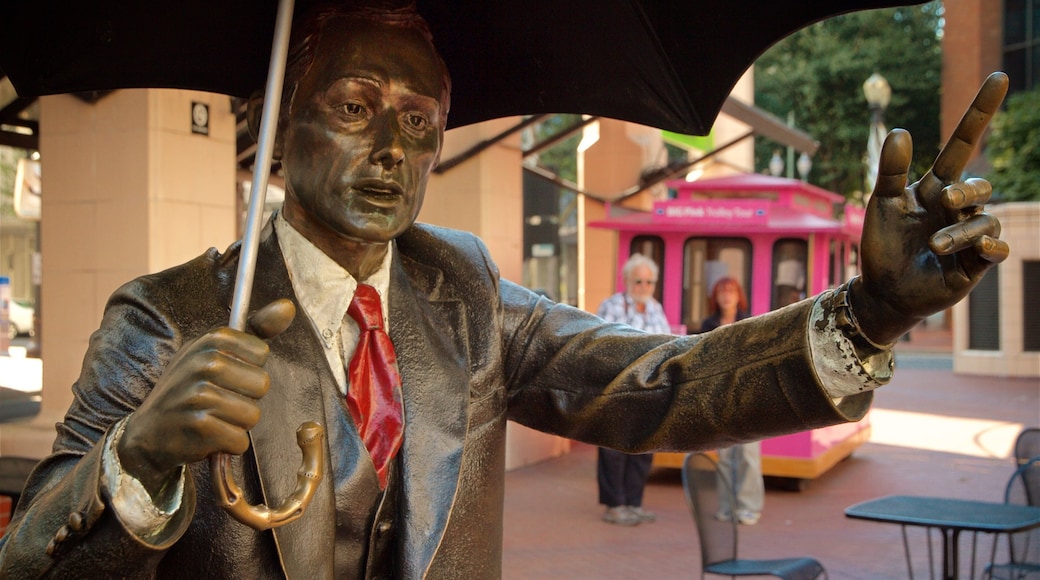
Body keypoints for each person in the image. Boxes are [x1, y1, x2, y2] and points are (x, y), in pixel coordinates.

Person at [0, 2, 1011, 577]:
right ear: (272, 132)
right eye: (353, 108)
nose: (393, 149)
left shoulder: (463, 290)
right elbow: (35, 558)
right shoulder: (166, 316)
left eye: (418, 122)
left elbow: (658, 382)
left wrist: (869, 310)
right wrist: (139, 460)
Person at [594, 253, 671, 526]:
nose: (644, 287)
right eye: (638, 281)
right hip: (617, 389)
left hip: (648, 392)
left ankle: (634, 503)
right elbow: (603, 346)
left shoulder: (655, 308)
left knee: (642, 450)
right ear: (627, 280)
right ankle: (615, 505)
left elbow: (668, 344)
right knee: (613, 451)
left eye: (649, 282)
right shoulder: (612, 306)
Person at [698, 277, 762, 526]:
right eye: (721, 292)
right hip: (720, 397)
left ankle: (748, 507)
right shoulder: (708, 324)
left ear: (738, 295)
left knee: (747, 454)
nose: (726, 296)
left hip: (747, 396)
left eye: (731, 291)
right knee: (725, 455)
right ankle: (726, 506)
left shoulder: (750, 322)